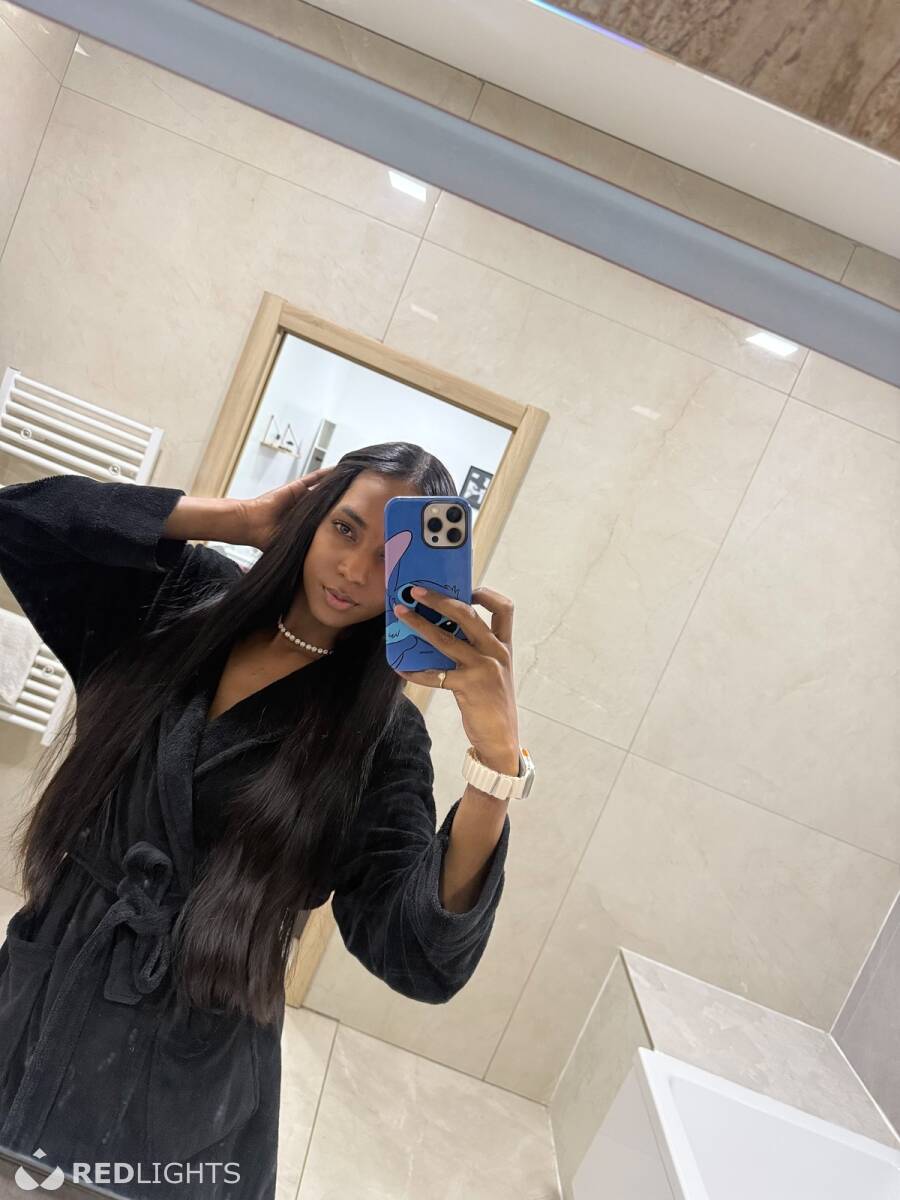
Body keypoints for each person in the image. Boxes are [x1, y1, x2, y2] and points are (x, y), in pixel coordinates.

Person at [0, 442, 520, 1198]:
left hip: (184, 1065)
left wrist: (495, 762)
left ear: (419, 574)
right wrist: (236, 518)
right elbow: (21, 522)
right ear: (310, 515)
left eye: (389, 557)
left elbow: (419, 956)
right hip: (43, 987)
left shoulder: (383, 738)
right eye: (344, 529)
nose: (354, 570)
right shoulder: (180, 600)